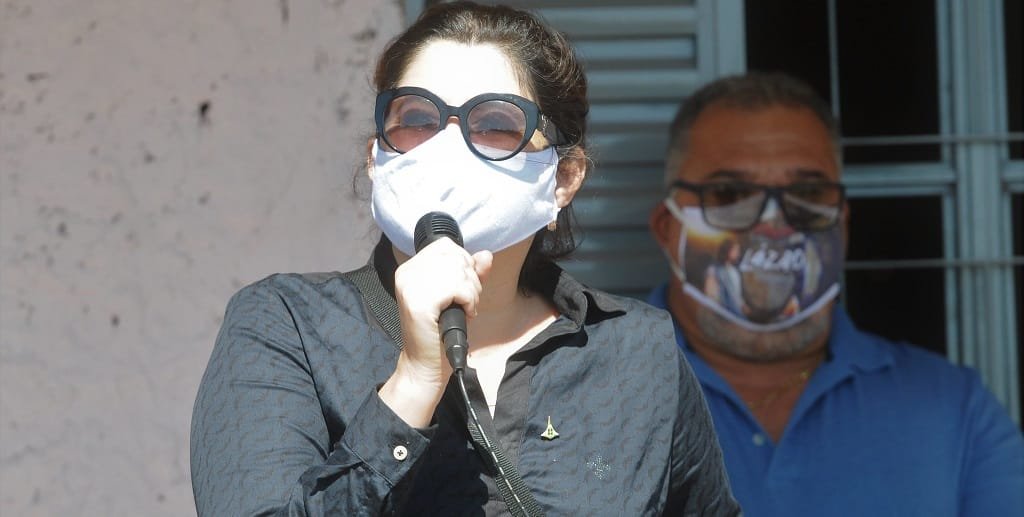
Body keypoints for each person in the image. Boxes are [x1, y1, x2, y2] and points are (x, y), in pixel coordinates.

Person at [190, 3, 740, 515]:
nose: (444, 148)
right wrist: (413, 382)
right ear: (377, 157)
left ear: (563, 179)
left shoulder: (636, 349)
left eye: (496, 125)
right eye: (416, 119)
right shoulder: (286, 324)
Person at [647, 72, 1024, 516]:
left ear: (842, 223)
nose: (774, 222)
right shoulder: (582, 396)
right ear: (668, 229)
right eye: (730, 192)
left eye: (807, 193)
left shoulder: (955, 412)